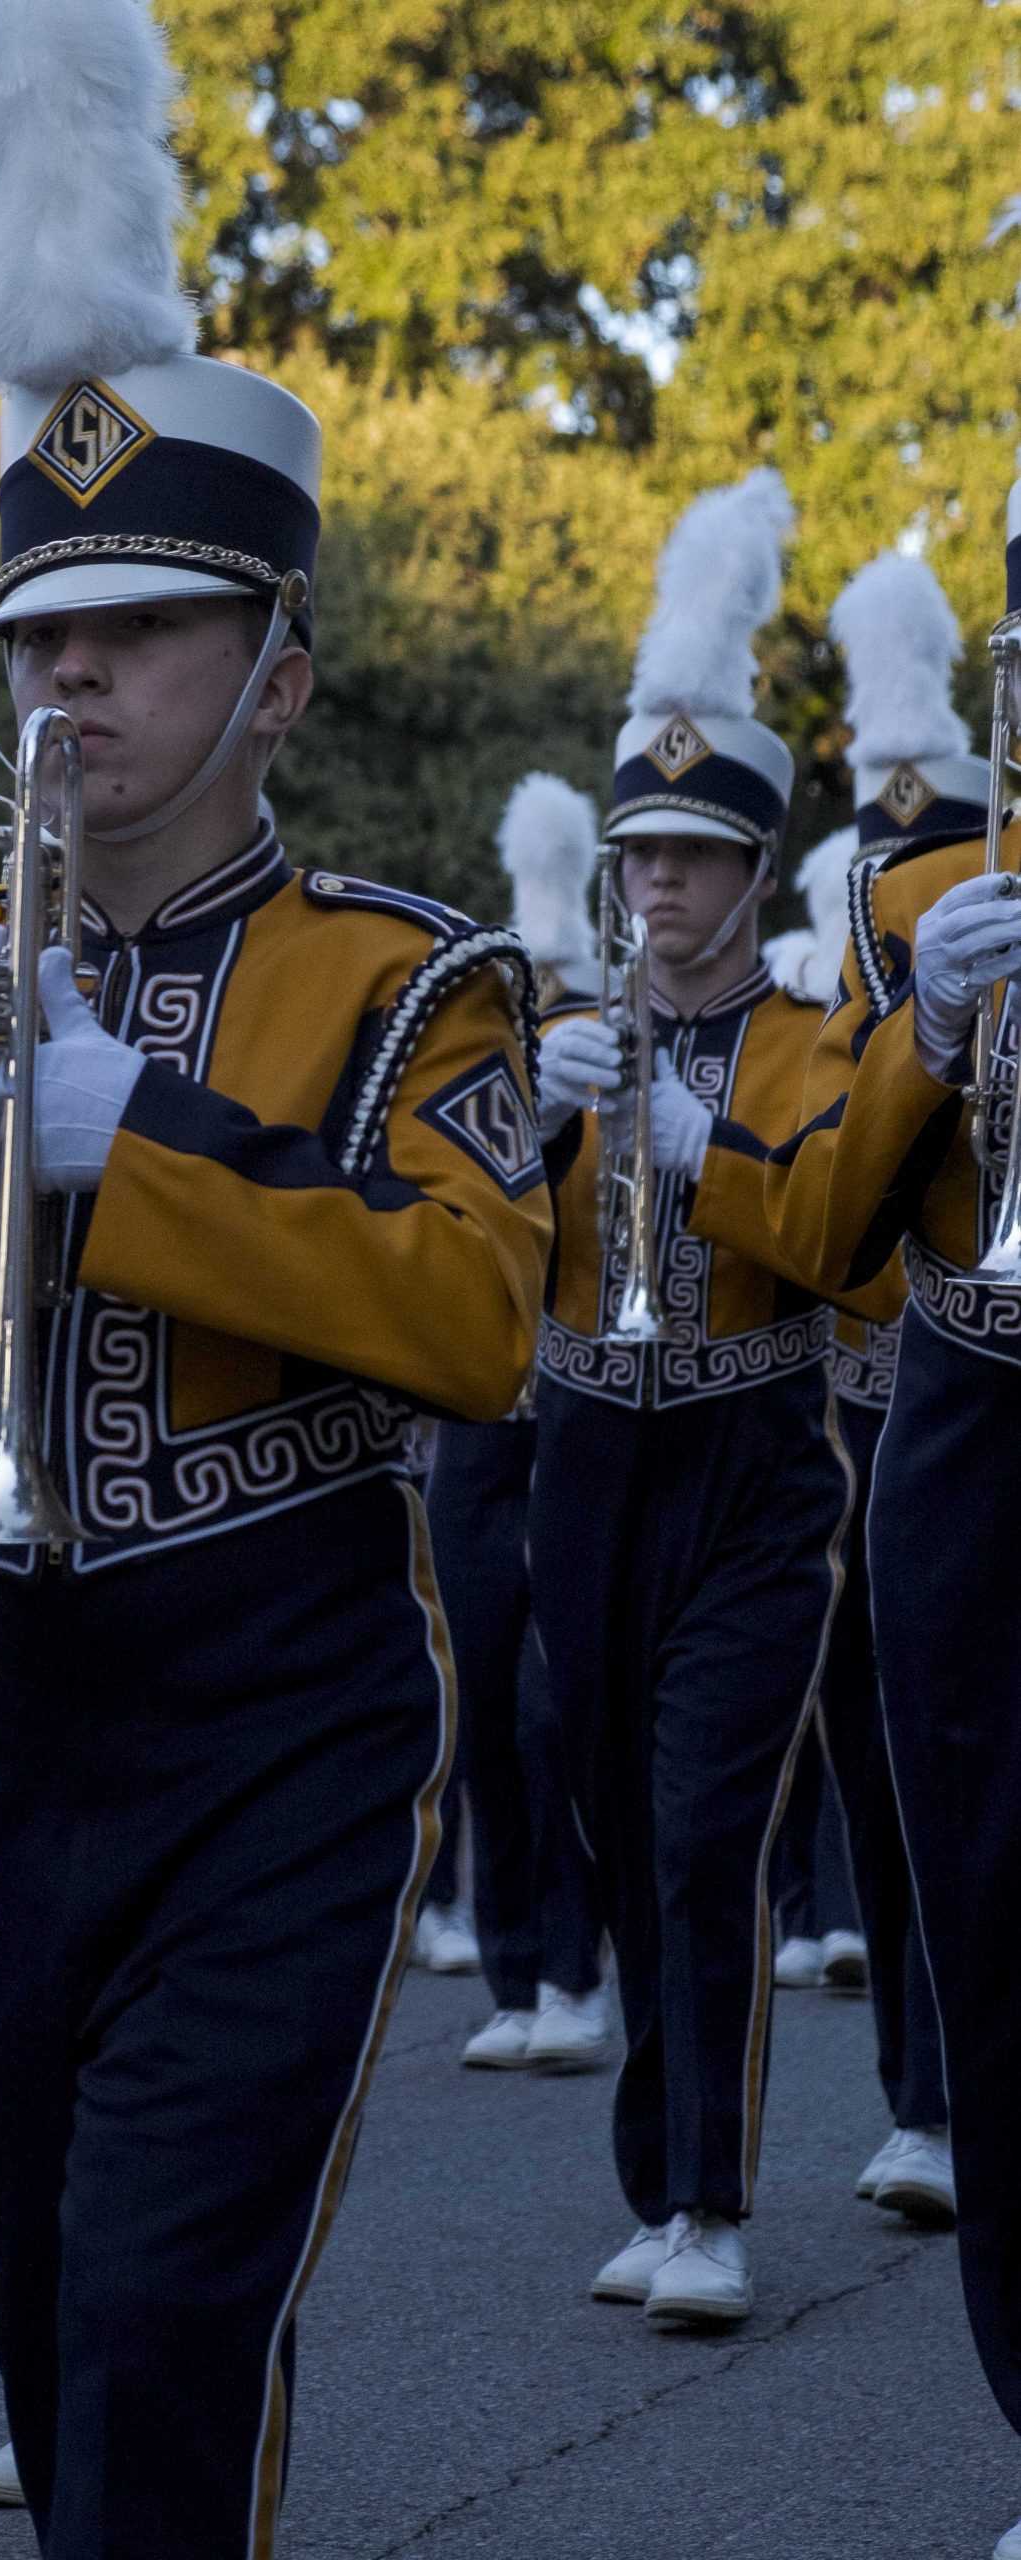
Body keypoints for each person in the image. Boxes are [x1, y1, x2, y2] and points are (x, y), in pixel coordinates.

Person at [0, 1, 551, 2545]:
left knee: (164, 2320)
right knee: (57, 2338)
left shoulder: (406, 976)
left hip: (270, 1704)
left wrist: (117, 1136)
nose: (65, 677)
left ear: (270, 673)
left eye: (130, 632)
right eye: (37, 635)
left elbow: (477, 1323)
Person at [526, 472, 903, 2330]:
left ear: (759, 871)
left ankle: (709, 2207)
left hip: (754, 1463)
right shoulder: (564, 1029)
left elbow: (843, 1237)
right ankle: (660, 2166)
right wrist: (524, 1128)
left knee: (701, 1829)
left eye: (691, 856)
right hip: (591, 1450)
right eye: (639, 856)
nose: (658, 883)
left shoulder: (812, 1037)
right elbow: (470, 1262)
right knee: (613, 1819)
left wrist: (705, 1144)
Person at [765, 525, 1021, 2553]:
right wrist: (922, 1040)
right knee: (998, 1931)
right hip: (977, 1425)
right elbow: (812, 1234)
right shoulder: (918, 892)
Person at [430, 775, 607, 2070]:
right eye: (523, 984)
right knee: (484, 1685)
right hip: (482, 1406)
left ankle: (576, 1967)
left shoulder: (613, 1063)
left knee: (560, 1705)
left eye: (556, 981)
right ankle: (510, 1971)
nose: (537, 1004)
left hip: (587, 1401)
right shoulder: (478, 1074)